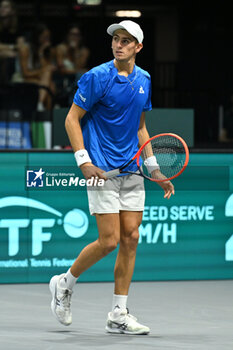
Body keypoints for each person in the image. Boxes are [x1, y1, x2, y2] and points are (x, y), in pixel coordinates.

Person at [49, 20, 174, 335]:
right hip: (102, 168)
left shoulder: (144, 79)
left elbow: (140, 127)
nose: (119, 44)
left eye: (126, 40)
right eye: (116, 39)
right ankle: (64, 284)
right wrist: (84, 162)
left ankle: (119, 313)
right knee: (109, 240)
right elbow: (71, 119)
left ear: (138, 47)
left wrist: (154, 167)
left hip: (132, 169)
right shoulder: (97, 77)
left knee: (131, 238)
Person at [17, 23, 56, 110]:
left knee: (51, 85)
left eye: (48, 37)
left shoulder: (47, 51)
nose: (47, 40)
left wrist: (41, 53)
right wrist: (43, 72)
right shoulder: (25, 49)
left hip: (39, 79)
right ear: (37, 36)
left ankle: (42, 108)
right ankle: (45, 112)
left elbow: (47, 71)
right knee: (50, 85)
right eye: (44, 37)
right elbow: (25, 73)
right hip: (22, 78)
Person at [55, 23, 90, 106]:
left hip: (77, 79)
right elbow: (61, 70)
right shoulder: (60, 48)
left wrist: (75, 52)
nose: (74, 37)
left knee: (83, 77)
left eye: (77, 35)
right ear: (67, 36)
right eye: (72, 34)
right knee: (81, 75)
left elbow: (79, 67)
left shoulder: (84, 51)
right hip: (62, 80)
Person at [0, 0, 24, 82]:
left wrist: (4, 48)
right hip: (6, 54)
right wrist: (12, 47)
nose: (2, 9)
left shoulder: (17, 26)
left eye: (6, 7)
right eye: (1, 6)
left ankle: (7, 86)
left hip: (13, 56)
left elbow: (21, 46)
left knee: (11, 58)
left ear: (12, 10)